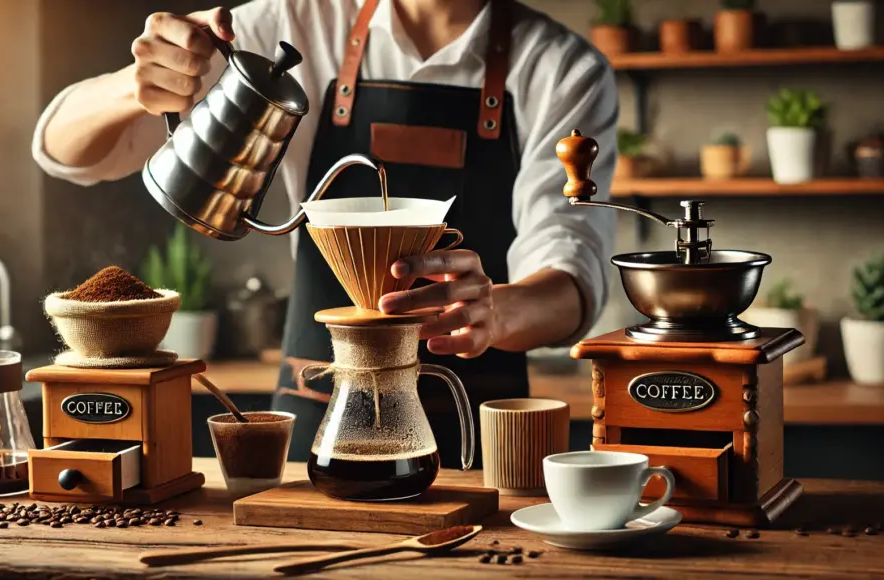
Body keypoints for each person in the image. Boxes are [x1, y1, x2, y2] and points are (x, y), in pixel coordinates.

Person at [33, 0, 618, 468]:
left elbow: (571, 280)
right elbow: (70, 152)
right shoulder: (290, 24)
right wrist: (135, 84)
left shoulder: (561, 67)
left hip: (483, 436)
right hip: (320, 417)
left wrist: (492, 311)